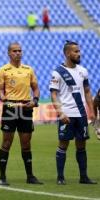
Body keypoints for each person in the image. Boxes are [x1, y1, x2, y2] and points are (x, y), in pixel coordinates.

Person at [0, 42, 43, 186]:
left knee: (26, 144)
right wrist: (6, 100)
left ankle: (30, 176)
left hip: (26, 108)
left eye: (20, 51)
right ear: (9, 53)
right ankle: (2, 177)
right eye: (15, 51)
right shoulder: (2, 71)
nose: (18, 53)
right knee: (6, 143)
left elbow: (36, 88)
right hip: (10, 108)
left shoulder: (29, 70)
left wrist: (35, 100)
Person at [49, 41, 97, 185]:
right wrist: (60, 113)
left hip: (81, 114)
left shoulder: (83, 71)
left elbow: (87, 92)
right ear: (68, 53)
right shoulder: (57, 72)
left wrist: (92, 111)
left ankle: (83, 177)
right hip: (67, 114)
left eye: (79, 51)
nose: (79, 54)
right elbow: (54, 95)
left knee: (81, 145)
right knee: (63, 144)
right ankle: (60, 177)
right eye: (75, 51)